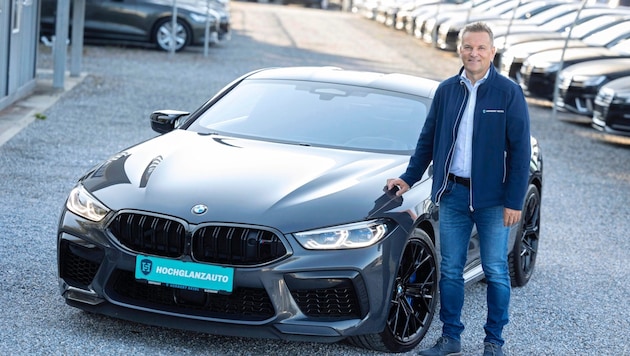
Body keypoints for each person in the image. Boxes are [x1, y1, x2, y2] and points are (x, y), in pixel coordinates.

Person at [386, 22, 531, 356]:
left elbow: (521, 151)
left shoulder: (508, 93)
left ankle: (494, 342)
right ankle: (450, 338)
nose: (473, 53)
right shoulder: (448, 90)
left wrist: (514, 201)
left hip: (493, 200)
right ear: (460, 49)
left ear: (492, 52)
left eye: (481, 47)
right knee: (450, 270)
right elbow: (428, 139)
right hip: (452, 194)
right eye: (468, 46)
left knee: (495, 270)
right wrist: (408, 177)